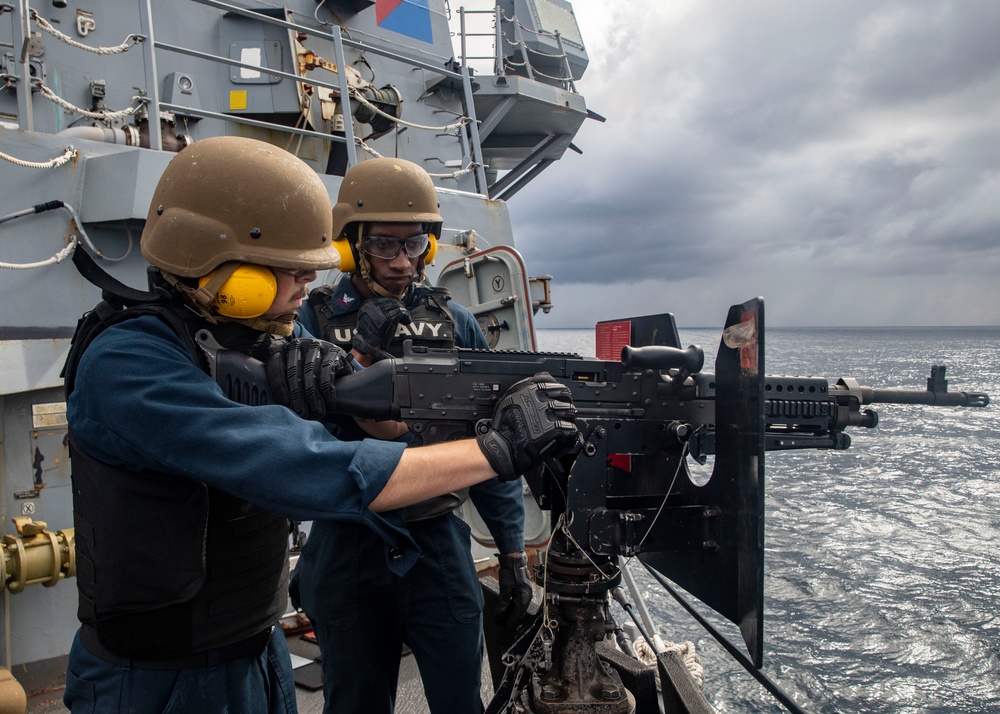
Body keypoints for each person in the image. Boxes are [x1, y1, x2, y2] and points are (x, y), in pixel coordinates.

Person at [61, 136, 580, 714]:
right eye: (293, 270)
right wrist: (497, 450)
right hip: (160, 682)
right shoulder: (130, 362)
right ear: (226, 266)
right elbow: (311, 467)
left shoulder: (265, 335)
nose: (307, 285)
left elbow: (384, 432)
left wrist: (353, 384)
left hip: (257, 655)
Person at [294, 157, 534, 714]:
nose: (403, 262)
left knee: (460, 700)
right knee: (354, 703)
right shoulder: (312, 320)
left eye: (416, 245)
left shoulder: (456, 325)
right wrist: (352, 366)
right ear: (352, 244)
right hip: (349, 541)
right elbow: (294, 433)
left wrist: (514, 554)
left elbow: (490, 446)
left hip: (437, 542)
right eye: (384, 246)